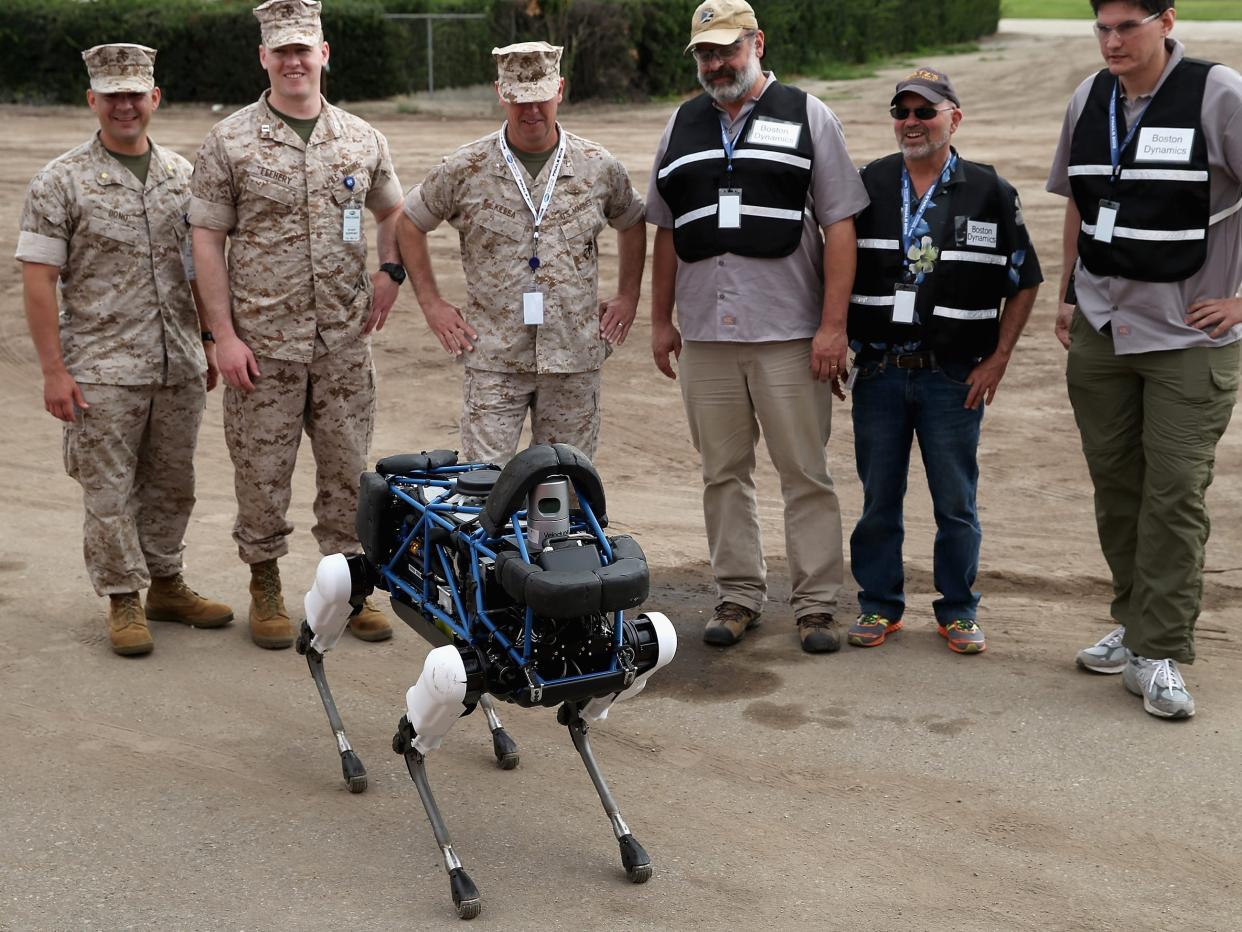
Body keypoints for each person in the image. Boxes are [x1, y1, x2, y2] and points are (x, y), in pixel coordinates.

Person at [648, 0, 869, 653]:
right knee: (723, 472)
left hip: (790, 335)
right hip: (707, 338)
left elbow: (841, 226)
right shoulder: (681, 124)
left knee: (805, 471)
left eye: (727, 49)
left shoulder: (808, 115)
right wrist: (660, 321)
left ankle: (818, 605)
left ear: (757, 43)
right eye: (705, 53)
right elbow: (664, 230)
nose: (716, 64)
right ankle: (738, 594)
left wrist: (834, 327)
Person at [1047, 0, 1242, 719]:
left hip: (1188, 336)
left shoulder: (1217, 93)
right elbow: (1077, 198)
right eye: (1102, 27)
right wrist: (1068, 292)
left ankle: (1160, 651)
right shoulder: (1089, 98)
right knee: (1118, 488)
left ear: (1167, 19)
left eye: (1128, 26)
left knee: (1174, 495)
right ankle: (1135, 623)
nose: (1112, 41)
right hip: (1103, 328)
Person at [189, 0, 404, 649]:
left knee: (347, 470)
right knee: (261, 472)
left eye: (302, 48)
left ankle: (349, 584)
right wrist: (222, 336)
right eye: (280, 50)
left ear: (324, 53)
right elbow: (205, 241)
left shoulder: (362, 138)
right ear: (263, 58)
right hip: (263, 346)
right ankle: (266, 584)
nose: (293, 61)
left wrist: (388, 275)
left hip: (341, 342)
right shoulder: (229, 140)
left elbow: (393, 210)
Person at [16, 43, 233, 657]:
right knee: (108, 491)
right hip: (102, 368)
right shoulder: (60, 181)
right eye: (112, 95)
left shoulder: (183, 177)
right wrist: (54, 371)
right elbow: (38, 280)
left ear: (155, 99)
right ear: (93, 101)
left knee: (173, 482)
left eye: (136, 93)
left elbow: (198, 266)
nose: (125, 105)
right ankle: (122, 599)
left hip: (178, 363)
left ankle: (165, 584)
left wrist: (212, 339)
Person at [845, 68, 1042, 655]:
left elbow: (1025, 281)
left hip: (954, 376)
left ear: (954, 118)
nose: (911, 123)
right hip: (880, 371)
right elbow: (832, 267)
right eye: (901, 112)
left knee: (956, 502)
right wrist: (836, 338)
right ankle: (879, 605)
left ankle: (958, 609)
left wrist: (999, 359)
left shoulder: (990, 190)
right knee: (879, 498)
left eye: (925, 112)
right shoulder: (867, 185)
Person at [397, 41, 646, 465]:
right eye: (519, 99)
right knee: (482, 491)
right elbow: (409, 221)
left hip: (572, 357)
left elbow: (633, 220)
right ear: (501, 93)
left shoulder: (597, 166)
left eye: (541, 97)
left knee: (563, 492)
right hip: (495, 358)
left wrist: (628, 296)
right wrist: (431, 304)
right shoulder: (467, 167)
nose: (531, 110)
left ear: (560, 90)